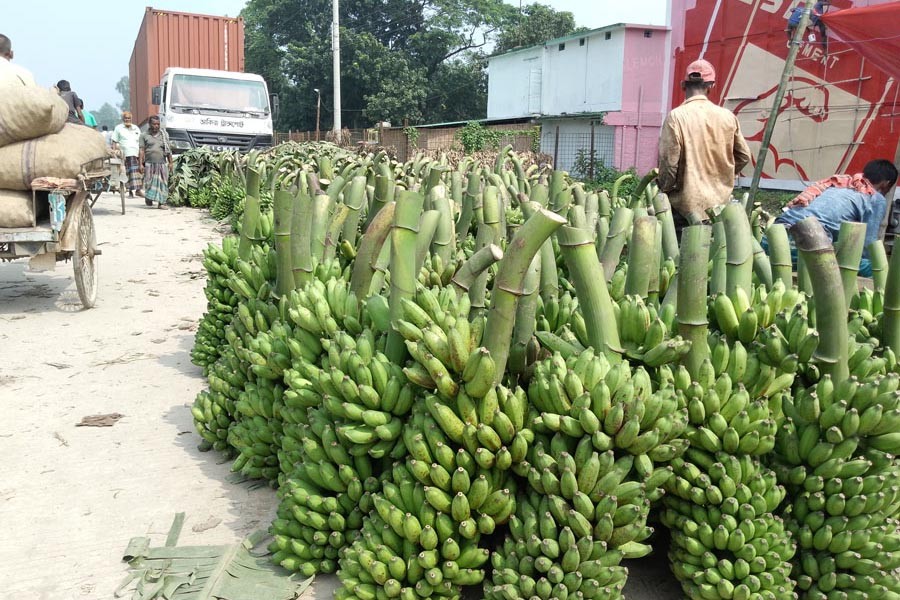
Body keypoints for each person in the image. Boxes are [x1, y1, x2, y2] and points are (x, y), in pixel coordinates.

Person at [657, 59, 751, 233]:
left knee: (683, 257)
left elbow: (669, 163)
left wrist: (665, 189)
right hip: (720, 205)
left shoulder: (676, 117)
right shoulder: (727, 116)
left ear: (683, 85)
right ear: (711, 86)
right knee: (718, 255)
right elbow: (744, 156)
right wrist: (723, 173)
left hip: (685, 206)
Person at [774, 159, 899, 277]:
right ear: (886, 183)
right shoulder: (875, 198)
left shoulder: (837, 184)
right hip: (800, 250)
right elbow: (868, 244)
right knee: (873, 268)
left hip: (773, 239)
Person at [139, 116, 174, 209]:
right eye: (154, 124)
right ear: (149, 124)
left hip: (162, 164)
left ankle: (161, 203)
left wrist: (171, 163)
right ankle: (149, 198)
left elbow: (168, 150)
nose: (156, 126)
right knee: (149, 183)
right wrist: (140, 164)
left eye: (158, 124)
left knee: (162, 183)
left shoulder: (164, 135)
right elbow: (142, 150)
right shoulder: (144, 135)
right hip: (149, 164)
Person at [112, 111, 143, 198]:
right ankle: (131, 191)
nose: (127, 120)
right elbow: (114, 141)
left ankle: (137, 190)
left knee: (136, 173)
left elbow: (140, 141)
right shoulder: (119, 128)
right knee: (127, 172)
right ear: (123, 119)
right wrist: (114, 152)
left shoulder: (136, 128)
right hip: (124, 154)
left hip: (135, 154)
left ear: (131, 119)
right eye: (126, 118)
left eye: (129, 118)